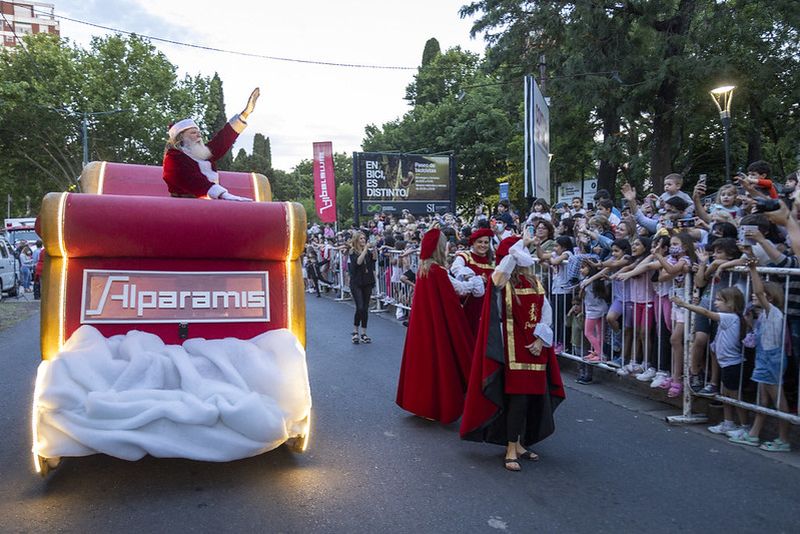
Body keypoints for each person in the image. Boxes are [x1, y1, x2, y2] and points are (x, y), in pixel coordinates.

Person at [460, 235, 565, 472]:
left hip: (535, 350)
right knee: (517, 399)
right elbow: (496, 278)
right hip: (512, 350)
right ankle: (509, 447)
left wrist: (541, 340)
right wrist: (514, 250)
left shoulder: (536, 282)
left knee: (530, 399)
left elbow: (545, 313)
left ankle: (518, 443)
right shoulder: (504, 283)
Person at [396, 227, 483, 423]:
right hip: (437, 327)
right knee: (438, 363)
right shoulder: (437, 271)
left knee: (424, 364)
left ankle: (420, 404)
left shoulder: (424, 269)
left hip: (423, 328)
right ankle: (433, 406)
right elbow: (455, 295)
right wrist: (476, 282)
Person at [672, 287, 750, 436]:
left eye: (720, 300)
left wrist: (684, 304)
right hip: (726, 363)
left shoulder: (730, 317)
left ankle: (745, 426)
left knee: (735, 397)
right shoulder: (729, 318)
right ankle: (728, 423)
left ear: (732, 304)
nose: (715, 302)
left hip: (732, 364)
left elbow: (706, 313)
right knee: (726, 395)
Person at [162, 88, 260, 201]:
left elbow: (223, 139)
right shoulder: (173, 157)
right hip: (184, 205)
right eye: (193, 133)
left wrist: (246, 113)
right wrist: (223, 194)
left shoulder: (203, 152)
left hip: (210, 202)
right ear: (181, 137)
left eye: (199, 132)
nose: (199, 136)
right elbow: (189, 179)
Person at [450, 228, 495, 337]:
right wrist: (474, 278)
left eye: (486, 242)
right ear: (473, 242)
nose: (483, 245)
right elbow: (456, 269)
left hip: (486, 304)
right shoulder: (465, 256)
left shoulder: (492, 261)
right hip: (467, 303)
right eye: (480, 242)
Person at [348, 232, 377, 344]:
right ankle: (355, 331)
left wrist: (373, 248)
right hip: (356, 282)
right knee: (359, 307)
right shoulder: (352, 252)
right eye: (361, 238)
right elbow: (358, 262)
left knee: (365, 308)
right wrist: (365, 249)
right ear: (356, 240)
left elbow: (374, 259)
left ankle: (364, 333)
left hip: (367, 281)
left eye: (364, 238)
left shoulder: (368, 252)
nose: (363, 240)